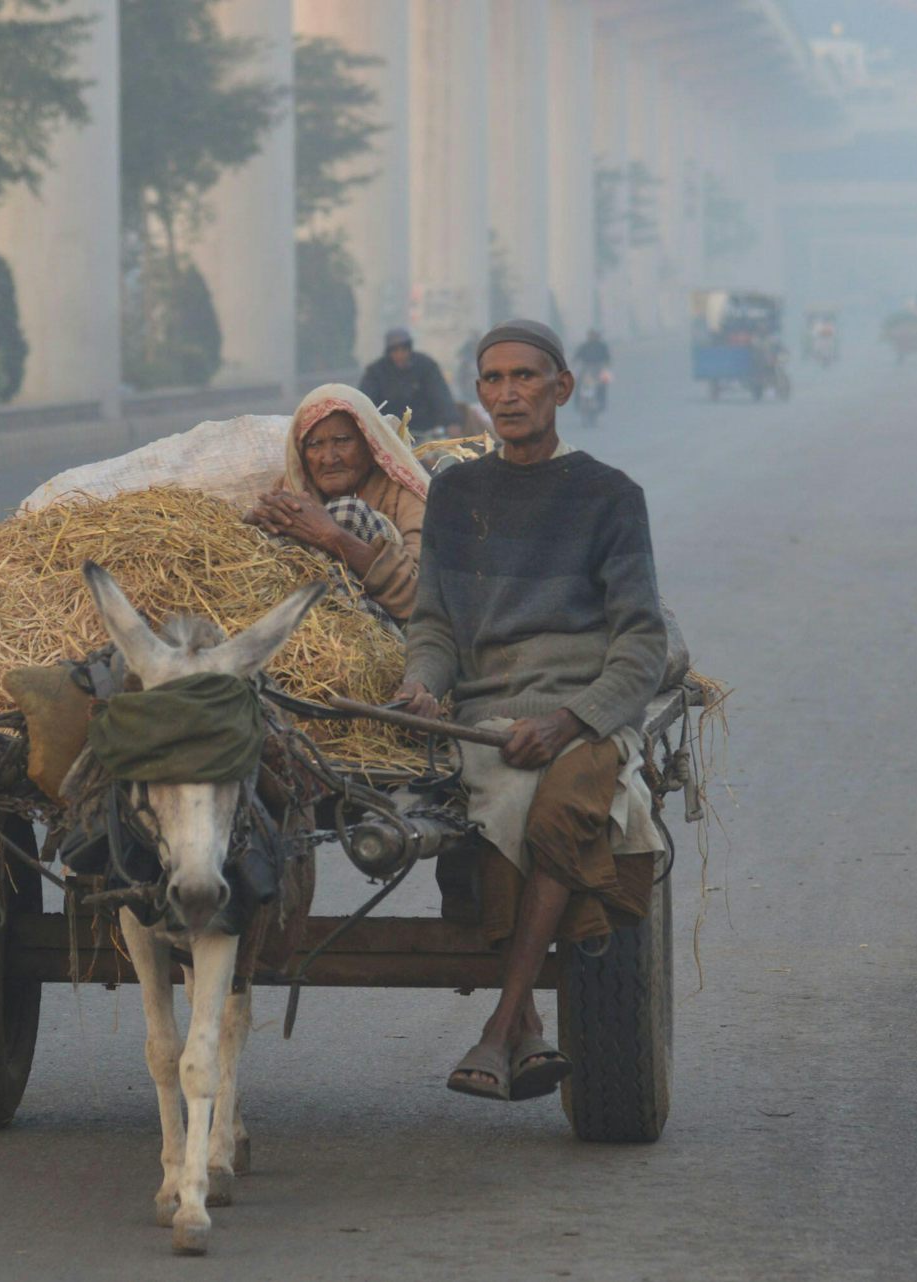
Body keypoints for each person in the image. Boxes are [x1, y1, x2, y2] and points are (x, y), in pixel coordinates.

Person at [395, 319, 668, 1104]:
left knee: (554, 814)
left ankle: (499, 1027)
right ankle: (531, 1035)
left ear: (563, 388)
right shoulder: (455, 490)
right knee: (505, 805)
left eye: (524, 377)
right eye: (493, 379)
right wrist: (421, 682)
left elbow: (641, 642)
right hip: (483, 722)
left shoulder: (610, 496)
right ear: (477, 393)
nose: (508, 393)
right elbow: (436, 625)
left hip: (585, 716)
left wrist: (571, 721)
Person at [246, 384, 429, 625]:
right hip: (310, 635)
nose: (329, 458)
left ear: (369, 444)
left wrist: (333, 537)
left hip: (389, 637)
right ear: (302, 452)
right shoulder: (293, 491)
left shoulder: (404, 495)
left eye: (342, 441)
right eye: (314, 445)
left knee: (347, 514)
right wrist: (252, 529)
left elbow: (423, 598)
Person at [359, 327, 461, 438]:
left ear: (409, 349)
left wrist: (451, 422)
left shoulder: (426, 366)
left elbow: (441, 395)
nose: (400, 355)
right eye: (395, 350)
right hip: (389, 434)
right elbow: (365, 401)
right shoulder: (376, 372)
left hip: (425, 431)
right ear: (388, 353)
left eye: (404, 349)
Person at [573, 328, 613, 412]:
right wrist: (573, 363)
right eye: (590, 335)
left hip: (599, 367)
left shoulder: (602, 346)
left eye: (593, 335)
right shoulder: (585, 346)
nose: (592, 337)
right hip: (586, 367)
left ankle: (601, 402)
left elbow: (607, 358)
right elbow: (577, 356)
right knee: (577, 384)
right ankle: (577, 403)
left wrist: (607, 366)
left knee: (602, 385)